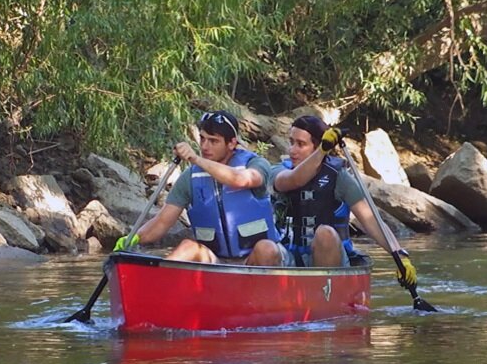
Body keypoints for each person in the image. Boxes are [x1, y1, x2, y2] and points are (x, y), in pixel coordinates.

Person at [255, 114, 417, 286]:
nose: (292, 150)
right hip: (289, 255)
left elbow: (372, 221)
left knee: (325, 234)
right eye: (291, 142)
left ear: (316, 147)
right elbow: (294, 180)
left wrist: (400, 256)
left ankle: (324, 293)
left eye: (301, 144)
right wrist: (322, 151)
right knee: (264, 248)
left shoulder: (339, 177)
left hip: (330, 258)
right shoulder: (279, 171)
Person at [114, 110, 279, 265]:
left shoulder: (256, 164)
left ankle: (266, 294)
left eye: (213, 141)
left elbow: (242, 180)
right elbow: (162, 222)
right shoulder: (190, 178)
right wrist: (134, 238)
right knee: (188, 246)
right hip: (217, 262)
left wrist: (196, 159)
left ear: (231, 143)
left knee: (266, 249)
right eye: (202, 138)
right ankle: (162, 287)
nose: (205, 146)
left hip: (254, 259)